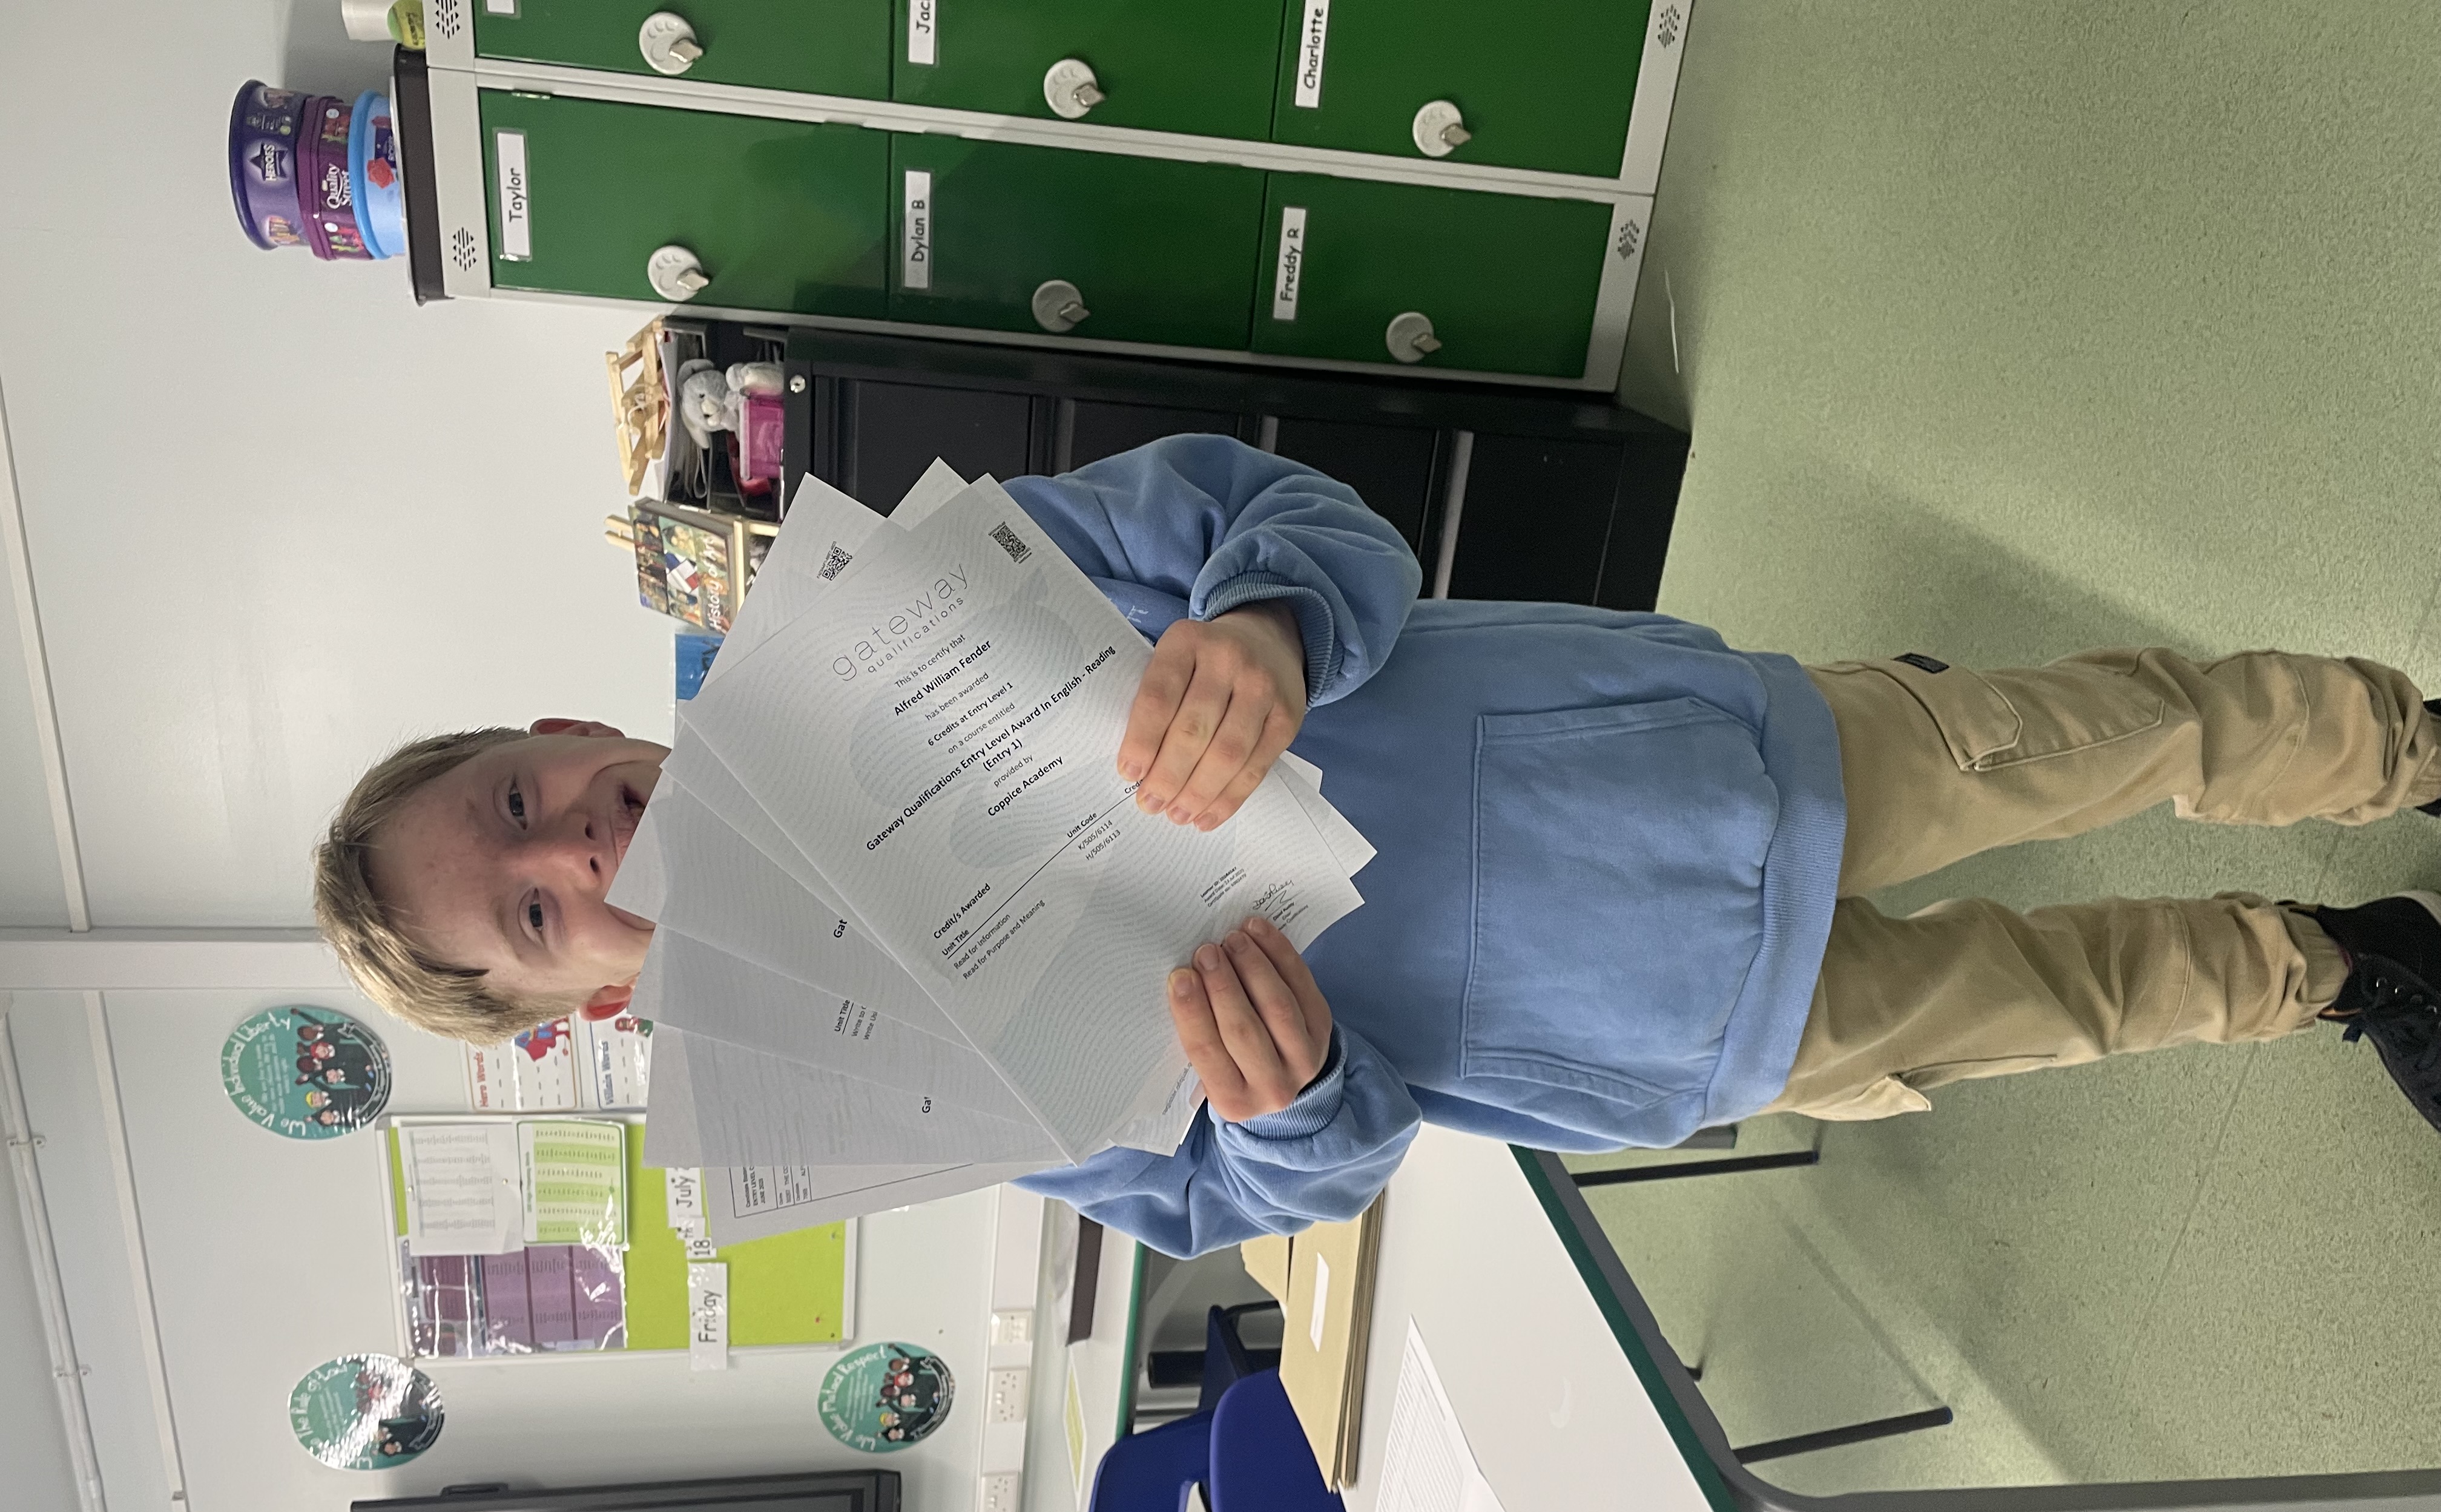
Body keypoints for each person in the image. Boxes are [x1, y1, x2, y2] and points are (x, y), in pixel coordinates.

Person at [312, 437, 2441, 1258]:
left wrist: (1257, 620)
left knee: (2107, 733)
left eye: (524, 789)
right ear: (579, 998)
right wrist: (1306, 1102)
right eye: (528, 912)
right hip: (1656, 1031)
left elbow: (1303, 512)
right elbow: (1227, 1196)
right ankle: (2345, 972)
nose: (576, 846)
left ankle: (2399, 747)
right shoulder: (877, 1086)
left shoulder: (906, 604)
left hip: (1681, 771)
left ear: (574, 724)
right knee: (2079, 1006)